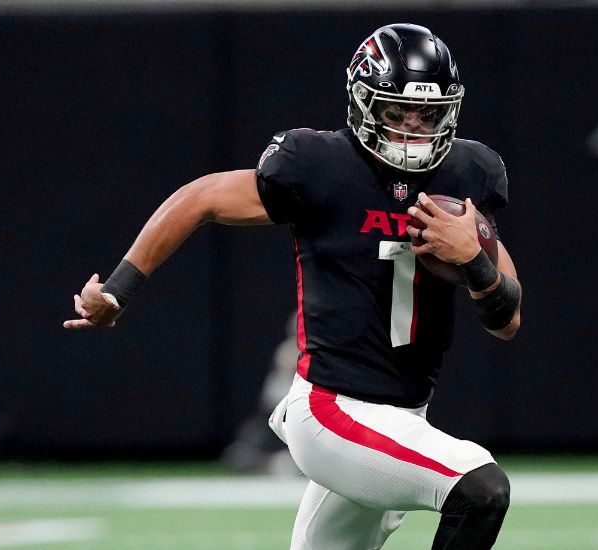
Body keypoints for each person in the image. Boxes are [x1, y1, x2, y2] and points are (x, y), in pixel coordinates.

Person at [65, 23, 523, 550]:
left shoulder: (467, 174)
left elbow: (507, 319)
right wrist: (118, 290)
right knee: (481, 489)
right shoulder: (320, 164)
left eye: (428, 114)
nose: (412, 128)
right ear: (364, 103)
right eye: (397, 112)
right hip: (331, 410)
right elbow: (201, 198)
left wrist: (474, 263)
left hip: (402, 419)